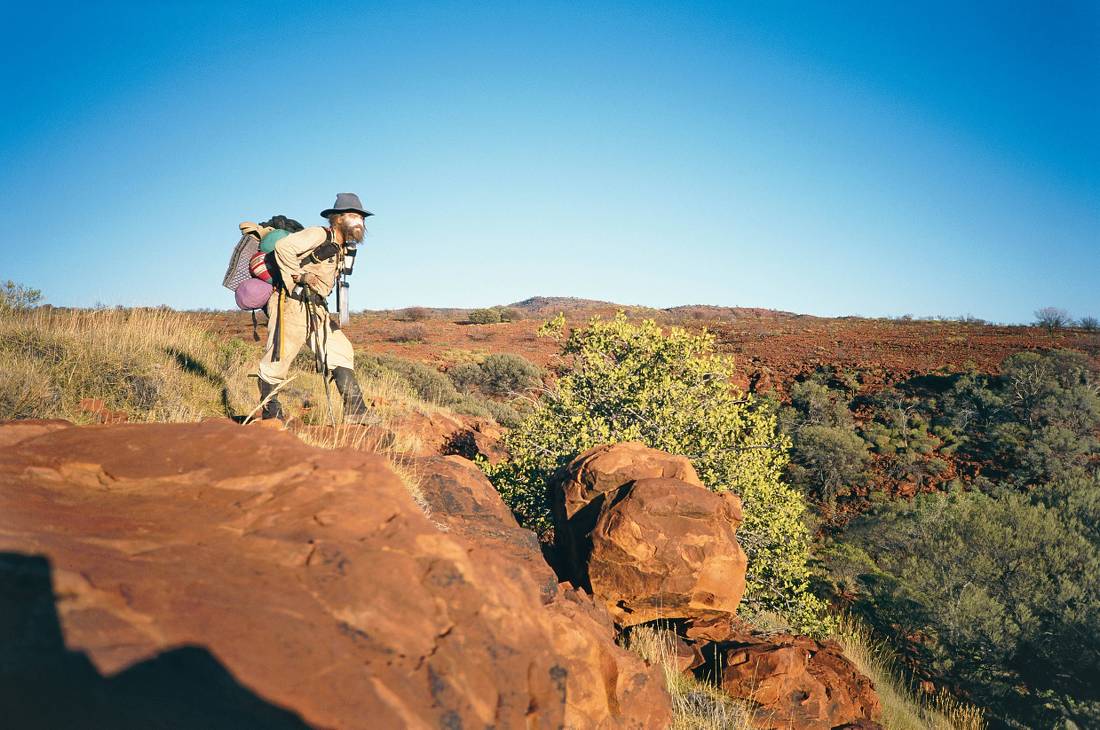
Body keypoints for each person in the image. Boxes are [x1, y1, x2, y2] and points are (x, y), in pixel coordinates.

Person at [256, 193, 372, 423]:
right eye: (352, 215)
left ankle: (356, 411)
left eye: (361, 217)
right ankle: (271, 414)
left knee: (340, 350)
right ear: (337, 218)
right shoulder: (318, 234)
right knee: (279, 358)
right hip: (292, 303)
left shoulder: (343, 248)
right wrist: (298, 275)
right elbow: (283, 248)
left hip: (317, 308)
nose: (359, 221)